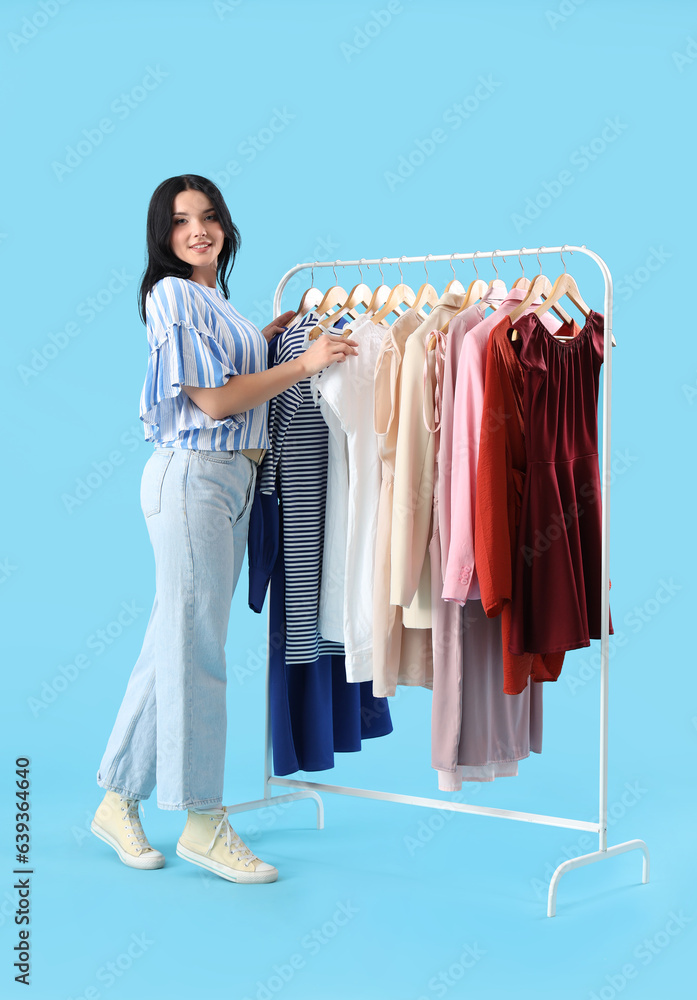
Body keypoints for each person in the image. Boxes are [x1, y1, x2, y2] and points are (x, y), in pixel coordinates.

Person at [91, 174, 358, 884]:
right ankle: (203, 820)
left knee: (174, 642)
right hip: (196, 479)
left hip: (226, 485)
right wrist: (302, 363)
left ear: (225, 227)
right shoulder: (172, 294)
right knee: (197, 653)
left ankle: (117, 800)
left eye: (208, 218)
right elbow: (211, 401)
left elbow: (233, 375)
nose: (198, 231)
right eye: (181, 222)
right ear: (163, 236)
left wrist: (265, 339)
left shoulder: (213, 301)